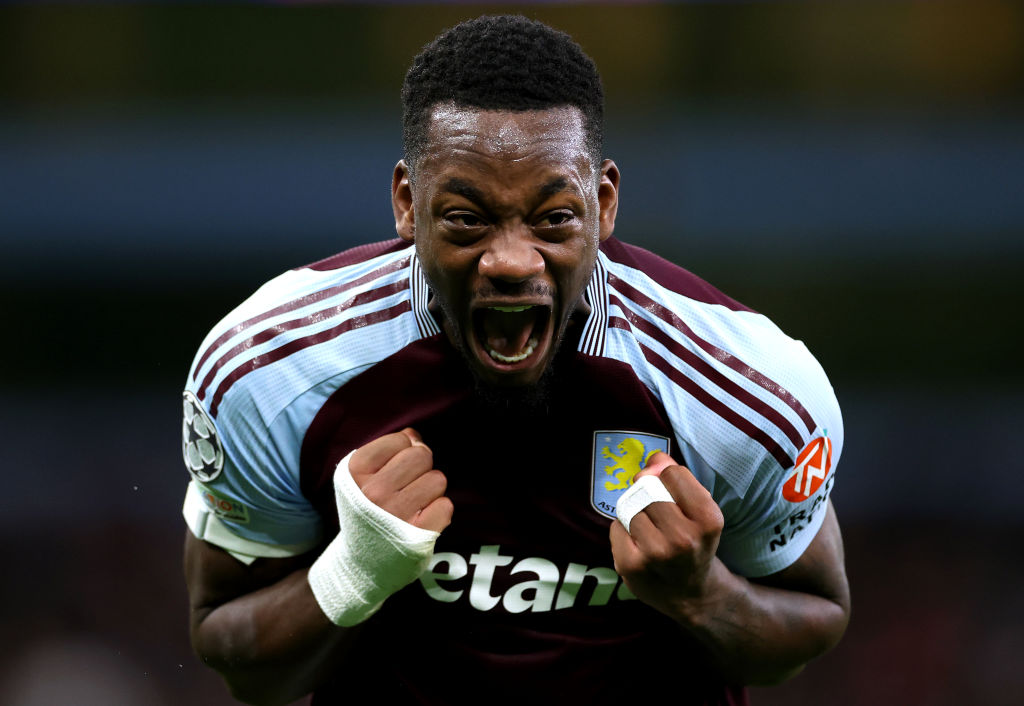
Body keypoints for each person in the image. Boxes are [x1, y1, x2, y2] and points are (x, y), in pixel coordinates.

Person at [181, 15, 849, 706]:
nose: (510, 261)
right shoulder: (270, 370)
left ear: (603, 203)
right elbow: (239, 660)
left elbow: (813, 622)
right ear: (408, 204)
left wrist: (702, 595)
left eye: (553, 217)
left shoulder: (752, 392)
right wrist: (350, 573)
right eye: (468, 218)